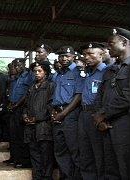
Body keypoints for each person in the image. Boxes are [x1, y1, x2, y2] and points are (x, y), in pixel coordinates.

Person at [94, 27, 130, 180]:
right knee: (111, 168)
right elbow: (100, 96)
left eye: (111, 43)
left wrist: (103, 114)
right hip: (107, 125)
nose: (107, 47)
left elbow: (129, 97)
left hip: (126, 125)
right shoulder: (110, 70)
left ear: (124, 42)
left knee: (127, 168)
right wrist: (98, 120)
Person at [51, 46, 84, 180]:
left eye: (67, 56)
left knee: (74, 150)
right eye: (61, 56)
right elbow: (54, 95)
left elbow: (78, 96)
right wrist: (54, 111)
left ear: (73, 57)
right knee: (60, 151)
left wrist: (63, 113)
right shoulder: (58, 74)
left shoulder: (78, 72)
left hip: (70, 115)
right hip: (57, 114)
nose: (64, 58)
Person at [78, 42, 107, 180]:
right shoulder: (88, 73)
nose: (86, 57)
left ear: (101, 54)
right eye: (84, 54)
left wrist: (102, 116)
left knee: (99, 154)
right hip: (83, 115)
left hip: (97, 115)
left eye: (90, 54)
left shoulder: (107, 72)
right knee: (85, 153)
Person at [23, 61, 55, 180]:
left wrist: (38, 118)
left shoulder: (51, 86)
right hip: (31, 128)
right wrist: (25, 115)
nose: (36, 73)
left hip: (44, 127)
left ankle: (46, 178)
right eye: (35, 71)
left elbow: (51, 105)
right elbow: (26, 105)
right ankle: (37, 177)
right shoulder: (31, 87)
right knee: (34, 154)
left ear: (45, 73)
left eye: (39, 71)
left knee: (46, 156)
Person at [8, 58, 34, 168]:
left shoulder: (28, 76)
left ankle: (24, 161)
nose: (17, 68)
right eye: (15, 66)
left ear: (23, 65)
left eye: (19, 65)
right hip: (13, 108)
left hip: (22, 108)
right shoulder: (16, 78)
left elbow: (27, 93)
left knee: (22, 135)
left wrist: (17, 104)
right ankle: (15, 158)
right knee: (14, 135)